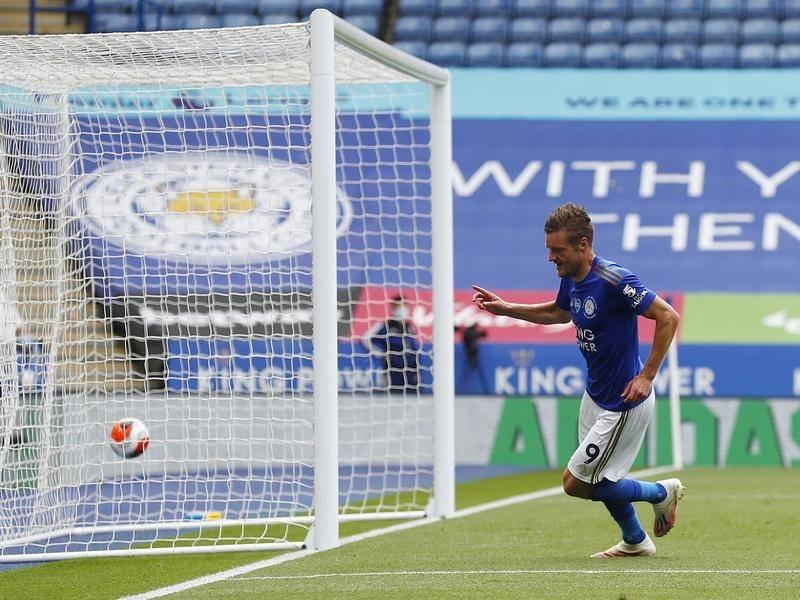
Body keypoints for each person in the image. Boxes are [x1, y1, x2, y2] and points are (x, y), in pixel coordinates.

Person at [472, 203, 683, 558]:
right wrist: (507, 308)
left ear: (583, 245)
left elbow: (667, 316)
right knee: (597, 479)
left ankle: (661, 493)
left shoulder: (615, 280)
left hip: (623, 401)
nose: (551, 258)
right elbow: (559, 312)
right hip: (595, 395)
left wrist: (647, 376)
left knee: (576, 483)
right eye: (549, 250)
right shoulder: (571, 279)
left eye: (558, 250)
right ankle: (635, 539)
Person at [364, 295, 421, 394]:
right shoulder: (386, 325)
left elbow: (414, 349)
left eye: (405, 306)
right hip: (392, 372)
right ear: (394, 307)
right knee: (393, 401)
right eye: (399, 306)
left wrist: (418, 370)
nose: (403, 309)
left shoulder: (409, 327)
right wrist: (380, 353)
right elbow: (365, 338)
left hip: (410, 374)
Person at [456, 322, 489, 394]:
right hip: (470, 353)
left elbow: (484, 334)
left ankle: (459, 390)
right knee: (467, 372)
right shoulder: (470, 333)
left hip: (471, 353)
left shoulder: (468, 332)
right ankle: (460, 390)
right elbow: (483, 334)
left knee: (469, 370)